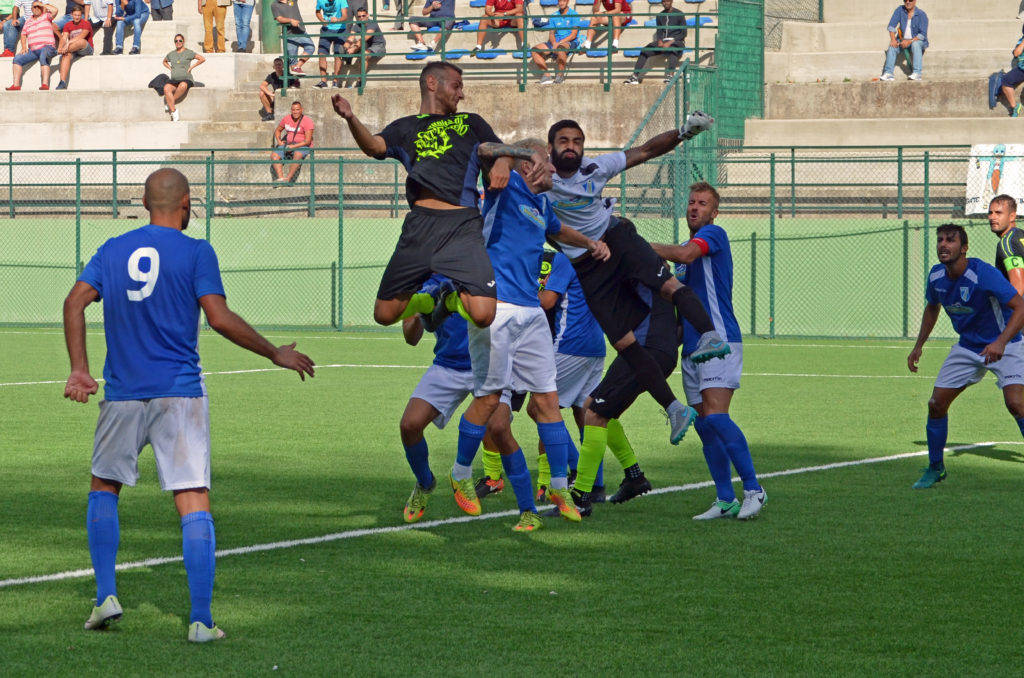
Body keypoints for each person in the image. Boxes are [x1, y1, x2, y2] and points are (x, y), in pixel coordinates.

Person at [63, 168, 315, 643]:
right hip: (179, 391)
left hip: (122, 392)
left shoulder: (112, 248)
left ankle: (105, 597)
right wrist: (274, 351)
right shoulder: (198, 250)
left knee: (104, 487)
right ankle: (200, 620)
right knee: (192, 496)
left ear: (143, 202)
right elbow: (218, 318)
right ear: (186, 205)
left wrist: (80, 368)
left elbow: (74, 302)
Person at [444, 138, 612, 531]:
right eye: (547, 163)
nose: (555, 170)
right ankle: (460, 472)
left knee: (549, 401)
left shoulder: (541, 204)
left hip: (531, 314)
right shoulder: (505, 187)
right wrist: (505, 157)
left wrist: (588, 242)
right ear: (527, 166)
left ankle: (558, 488)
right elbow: (484, 150)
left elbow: (559, 231)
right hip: (497, 307)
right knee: (487, 402)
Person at [543, 113, 726, 446]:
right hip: (589, 267)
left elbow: (644, 151)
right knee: (623, 343)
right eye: (564, 141)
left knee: (669, 287)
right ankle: (673, 408)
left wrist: (683, 133)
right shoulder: (539, 184)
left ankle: (711, 336)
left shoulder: (595, 169)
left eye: (577, 141)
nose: (572, 147)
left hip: (615, 239)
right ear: (551, 148)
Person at [331, 61, 547, 330]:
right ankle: (426, 302)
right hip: (420, 226)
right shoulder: (405, 127)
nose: (461, 94)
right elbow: (373, 146)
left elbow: (495, 147)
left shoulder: (471, 122)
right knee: (384, 315)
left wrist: (505, 159)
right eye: (456, 86)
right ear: (432, 83)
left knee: (483, 315)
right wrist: (351, 117)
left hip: (462, 227)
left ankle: (447, 301)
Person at [652, 182, 766, 520]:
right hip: (691, 348)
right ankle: (725, 498)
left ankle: (754, 489)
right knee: (704, 424)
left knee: (717, 416)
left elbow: (686, 254)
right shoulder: (685, 251)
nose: (695, 208)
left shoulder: (713, 235)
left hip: (719, 341)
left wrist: (641, 248)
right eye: (691, 202)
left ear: (714, 212)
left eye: (702, 204)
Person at [907, 223, 1024, 488]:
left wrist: (1001, 342)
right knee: (936, 404)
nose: (943, 245)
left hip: (1008, 344)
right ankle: (935, 468)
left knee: (1016, 404)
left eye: (950, 240)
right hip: (968, 347)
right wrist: (918, 346)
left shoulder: (984, 274)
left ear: (964, 247)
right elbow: (932, 308)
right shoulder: (936, 276)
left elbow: (1020, 307)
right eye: (940, 240)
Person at [569, 283, 684, 516]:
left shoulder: (631, 263)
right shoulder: (651, 268)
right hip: (650, 350)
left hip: (644, 349)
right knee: (592, 406)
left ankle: (580, 498)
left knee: (595, 414)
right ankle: (634, 476)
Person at [623, 0, 685, 85]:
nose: (665, 3)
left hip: (676, 41)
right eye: (663, 2)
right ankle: (635, 76)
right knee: (645, 50)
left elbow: (684, 33)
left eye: (667, 1)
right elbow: (659, 32)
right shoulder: (660, 16)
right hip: (663, 41)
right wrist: (660, 41)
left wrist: (670, 42)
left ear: (671, 1)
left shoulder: (679, 14)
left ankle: (670, 76)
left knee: (673, 50)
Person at [6, 1, 59, 91]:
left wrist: (41, 4)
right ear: (31, 9)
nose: (36, 8)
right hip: (33, 50)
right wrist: (23, 47)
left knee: (44, 55)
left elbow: (55, 10)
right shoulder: (28, 21)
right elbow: (23, 34)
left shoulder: (46, 16)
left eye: (38, 7)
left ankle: (45, 85)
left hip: (47, 47)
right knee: (17, 59)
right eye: (34, 7)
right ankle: (16, 85)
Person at [529, 0, 578, 86]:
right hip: (556, 41)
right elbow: (551, 33)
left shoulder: (574, 14)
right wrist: (554, 43)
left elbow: (573, 35)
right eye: (560, 1)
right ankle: (546, 76)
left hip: (569, 41)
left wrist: (560, 43)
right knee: (534, 50)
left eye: (564, 1)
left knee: (560, 49)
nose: (561, 3)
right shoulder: (554, 15)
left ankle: (560, 76)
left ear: (568, 1)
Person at [880, 0, 927, 81]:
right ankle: (888, 73)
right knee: (892, 46)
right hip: (902, 40)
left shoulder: (921, 14)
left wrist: (909, 41)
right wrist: (893, 40)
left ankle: (917, 73)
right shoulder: (900, 10)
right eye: (905, 0)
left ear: (915, 1)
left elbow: (922, 35)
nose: (908, 2)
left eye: (910, 0)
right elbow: (891, 26)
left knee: (915, 44)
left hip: (917, 41)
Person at [339, 5, 385, 87]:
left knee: (364, 55)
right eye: (359, 16)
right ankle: (347, 56)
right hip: (366, 44)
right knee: (351, 44)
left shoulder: (372, 23)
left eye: (363, 16)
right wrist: (345, 47)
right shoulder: (357, 25)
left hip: (378, 45)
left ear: (367, 15)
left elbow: (365, 37)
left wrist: (354, 48)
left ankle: (360, 80)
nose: (361, 18)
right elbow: (351, 37)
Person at [163, 33, 204, 121]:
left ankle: (170, 102)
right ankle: (173, 111)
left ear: (183, 41)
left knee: (182, 85)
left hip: (186, 79)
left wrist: (191, 67)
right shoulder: (171, 54)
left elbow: (202, 59)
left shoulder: (188, 52)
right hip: (174, 80)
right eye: (176, 41)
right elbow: (164, 61)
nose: (178, 42)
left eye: (180, 40)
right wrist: (170, 68)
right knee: (166, 88)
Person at [270, 100, 314, 183]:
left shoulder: (307, 121)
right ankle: (281, 179)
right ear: (291, 110)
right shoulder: (286, 118)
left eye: (297, 109)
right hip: (288, 144)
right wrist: (279, 141)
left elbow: (307, 141)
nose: (295, 112)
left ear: (301, 110)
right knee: (274, 155)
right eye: (293, 110)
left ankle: (288, 179)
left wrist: (293, 147)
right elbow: (277, 130)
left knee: (297, 154)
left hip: (302, 146)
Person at [989, 194, 1024, 294]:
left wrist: (1014, 309)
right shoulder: (1020, 235)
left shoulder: (1007, 242)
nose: (992, 217)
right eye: (990, 213)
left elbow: (1018, 288)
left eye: (998, 213)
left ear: (1012, 216)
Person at [989, 27, 1024, 117]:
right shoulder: (1022, 41)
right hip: (1022, 69)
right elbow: (1016, 53)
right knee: (1006, 80)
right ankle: (1015, 107)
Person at [55, 3, 90, 89]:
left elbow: (81, 36)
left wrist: (68, 43)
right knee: (66, 55)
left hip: (85, 48)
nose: (77, 17)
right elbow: (64, 38)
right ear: (71, 15)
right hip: (73, 50)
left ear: (81, 15)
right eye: (75, 15)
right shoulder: (68, 25)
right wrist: (60, 47)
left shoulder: (85, 23)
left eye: (79, 15)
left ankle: (60, 51)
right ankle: (62, 82)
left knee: (81, 41)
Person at [273, 0, 313, 74]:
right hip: (289, 34)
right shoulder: (274, 4)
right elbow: (279, 18)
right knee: (292, 59)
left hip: (301, 31)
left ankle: (297, 67)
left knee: (310, 47)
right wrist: (291, 20)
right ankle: (294, 82)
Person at [314, 0, 348, 88]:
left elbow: (345, 16)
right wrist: (322, 20)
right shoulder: (320, 1)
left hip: (340, 29)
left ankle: (335, 81)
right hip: (326, 30)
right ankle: (323, 82)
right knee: (321, 54)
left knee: (337, 55)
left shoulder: (341, 0)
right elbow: (317, 12)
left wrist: (338, 19)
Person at [258, 56, 299, 122]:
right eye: (276, 65)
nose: (278, 66)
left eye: (279, 64)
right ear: (273, 67)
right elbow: (262, 86)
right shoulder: (272, 75)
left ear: (283, 66)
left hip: (286, 97)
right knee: (262, 93)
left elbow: (296, 85)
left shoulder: (287, 75)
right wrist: (270, 94)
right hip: (275, 97)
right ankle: (270, 114)